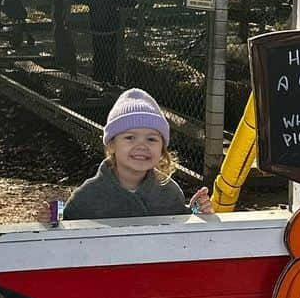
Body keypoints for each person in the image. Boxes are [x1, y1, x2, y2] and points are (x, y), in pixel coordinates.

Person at [61, 88, 214, 221]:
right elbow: (65, 233)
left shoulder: (168, 192)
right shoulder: (88, 196)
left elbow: (181, 229)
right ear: (112, 145)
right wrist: (49, 222)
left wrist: (195, 211)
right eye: (130, 137)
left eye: (151, 139)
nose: (142, 146)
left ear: (162, 149)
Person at [62, 0, 137, 84]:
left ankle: (111, 82)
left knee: (112, 58)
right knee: (99, 57)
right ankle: (98, 81)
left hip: (111, 33)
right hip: (98, 33)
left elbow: (129, 1)